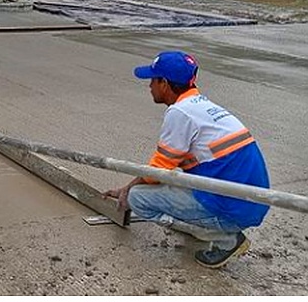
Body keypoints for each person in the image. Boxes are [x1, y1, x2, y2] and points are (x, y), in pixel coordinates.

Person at [103, 50, 269, 269]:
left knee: (138, 198)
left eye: (153, 80)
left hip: (234, 209)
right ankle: (206, 225)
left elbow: (156, 173)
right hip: (250, 202)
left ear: (164, 83)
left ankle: (226, 239)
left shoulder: (180, 113)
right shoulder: (202, 106)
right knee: (175, 177)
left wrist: (126, 190)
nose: (149, 86)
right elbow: (167, 167)